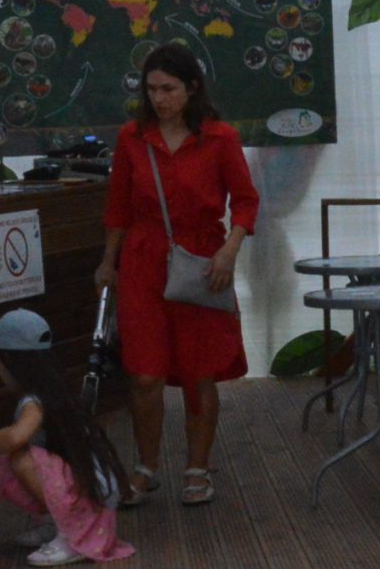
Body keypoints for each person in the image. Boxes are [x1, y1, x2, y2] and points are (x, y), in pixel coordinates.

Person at [94, 42, 257, 507]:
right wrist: (108, 262)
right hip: (142, 259)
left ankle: (197, 467)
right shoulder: (132, 137)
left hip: (202, 261)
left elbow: (246, 200)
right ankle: (146, 466)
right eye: (151, 89)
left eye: (168, 89)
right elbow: (118, 207)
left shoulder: (220, 138)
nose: (159, 98)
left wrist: (229, 250)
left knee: (198, 372)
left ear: (192, 87)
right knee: (144, 373)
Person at [0, 308, 134, 567]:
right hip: (92, 491)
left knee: (21, 459)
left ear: (12, 362)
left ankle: (71, 536)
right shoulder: (55, 389)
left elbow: (15, 437)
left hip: (93, 497)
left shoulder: (35, 401)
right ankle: (57, 523)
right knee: (11, 457)